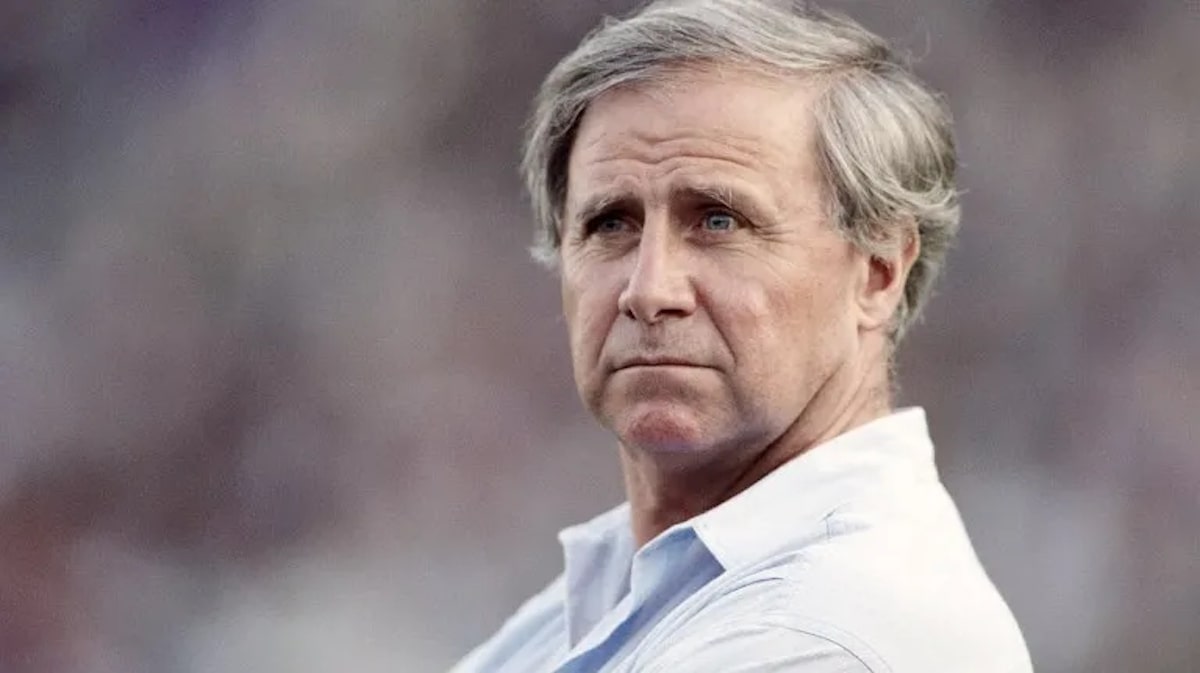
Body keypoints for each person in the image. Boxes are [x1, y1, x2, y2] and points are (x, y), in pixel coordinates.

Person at [451, 0, 1032, 670]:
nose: (649, 289)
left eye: (718, 221)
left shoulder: (823, 634)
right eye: (611, 223)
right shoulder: (590, 607)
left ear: (878, 272)